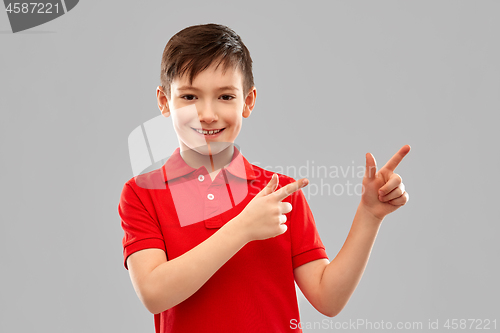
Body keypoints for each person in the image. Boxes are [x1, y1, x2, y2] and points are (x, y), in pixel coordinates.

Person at [118, 23, 410, 333]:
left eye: (225, 97)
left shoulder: (281, 193)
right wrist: (243, 228)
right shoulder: (141, 194)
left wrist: (369, 215)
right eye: (189, 96)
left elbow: (329, 298)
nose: (207, 114)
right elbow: (153, 293)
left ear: (249, 101)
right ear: (164, 102)